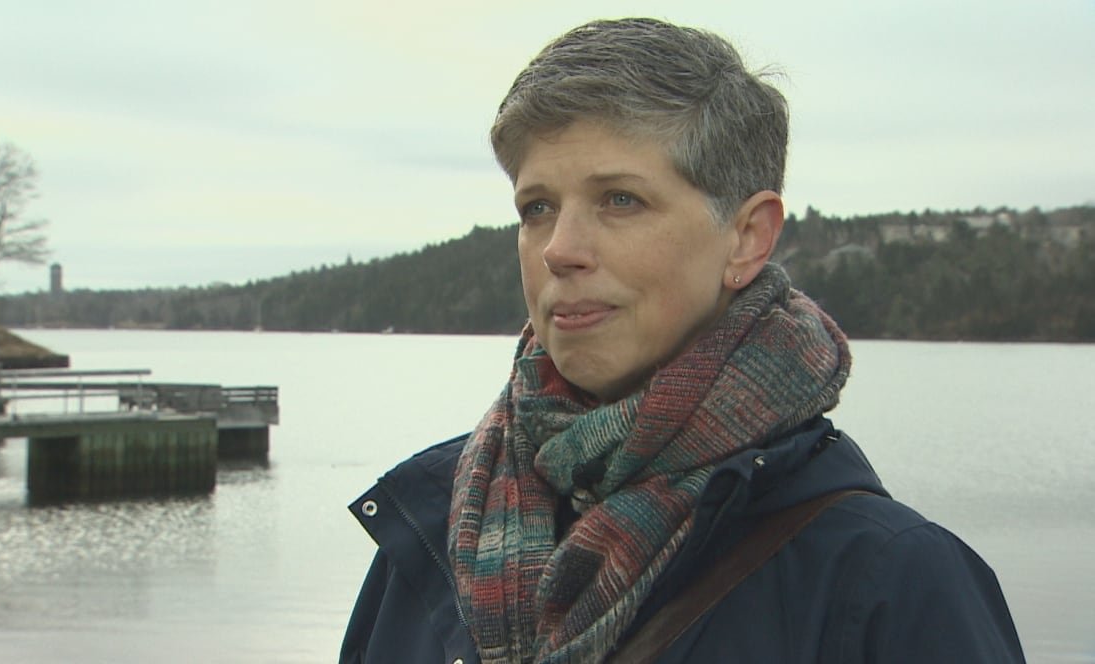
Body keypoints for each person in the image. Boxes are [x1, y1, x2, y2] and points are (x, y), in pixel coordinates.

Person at [341, 17, 1025, 664]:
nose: (560, 249)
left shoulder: (890, 582)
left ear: (748, 236)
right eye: (537, 208)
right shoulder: (431, 540)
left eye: (620, 200)